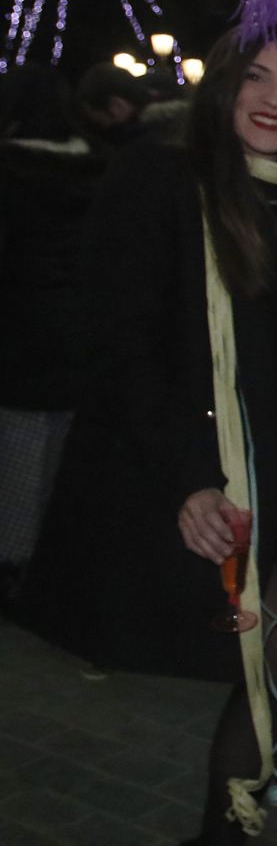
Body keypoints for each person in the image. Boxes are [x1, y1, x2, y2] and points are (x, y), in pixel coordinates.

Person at [18, 4, 277, 845]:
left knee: (258, 686)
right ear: (222, 84)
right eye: (257, 77)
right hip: (210, 475)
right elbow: (122, 346)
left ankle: (218, 838)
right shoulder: (164, 177)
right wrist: (187, 479)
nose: (276, 100)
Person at [0, 64, 106, 603]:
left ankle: (16, 562)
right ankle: (52, 561)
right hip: (76, 327)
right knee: (60, 451)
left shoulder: (11, 172)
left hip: (21, 329)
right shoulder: (94, 168)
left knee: (19, 447)